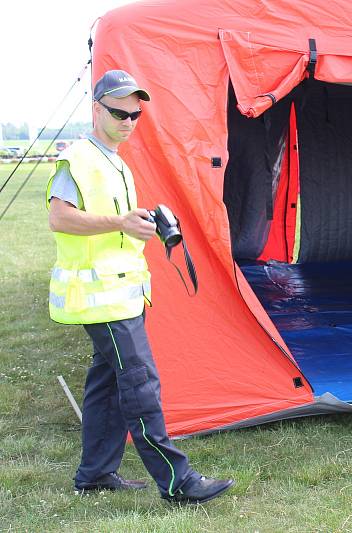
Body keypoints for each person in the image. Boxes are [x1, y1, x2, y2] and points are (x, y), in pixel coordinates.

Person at [46, 70, 234, 504]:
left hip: (121, 294)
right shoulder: (77, 158)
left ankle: (94, 475)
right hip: (101, 301)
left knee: (109, 384)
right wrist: (120, 221)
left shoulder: (115, 160)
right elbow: (59, 217)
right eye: (119, 112)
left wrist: (142, 221)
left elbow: (115, 226)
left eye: (135, 113)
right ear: (96, 109)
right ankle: (178, 482)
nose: (129, 120)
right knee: (140, 383)